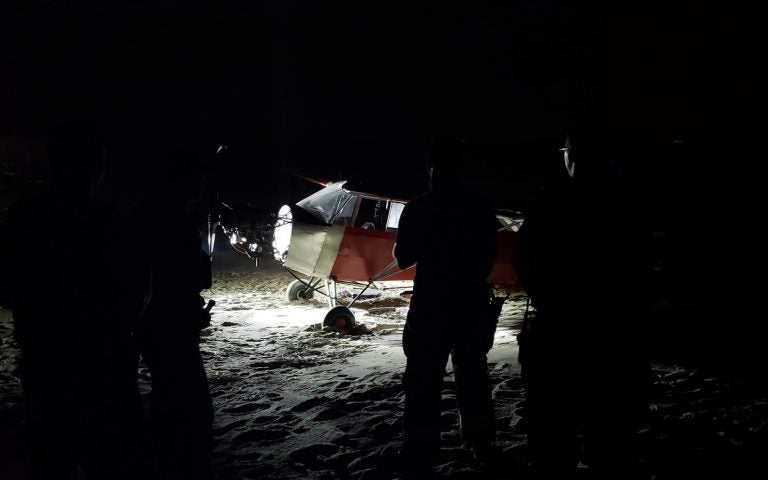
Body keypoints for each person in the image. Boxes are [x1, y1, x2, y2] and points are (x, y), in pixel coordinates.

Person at [0, 129, 150, 479]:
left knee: (53, 451)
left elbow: (7, 283)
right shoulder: (108, 221)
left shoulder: (25, 217)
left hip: (45, 353)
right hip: (104, 354)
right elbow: (139, 285)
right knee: (113, 453)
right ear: (97, 168)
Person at [514, 124, 651, 478]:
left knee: (553, 442)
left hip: (559, 332)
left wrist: (551, 300)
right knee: (611, 442)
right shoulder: (628, 205)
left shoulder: (550, 202)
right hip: (615, 336)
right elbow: (643, 267)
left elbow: (524, 261)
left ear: (572, 156)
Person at [393, 134, 499, 475]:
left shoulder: (419, 208)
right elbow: (486, 259)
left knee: (424, 379)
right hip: (470, 303)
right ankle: (480, 443)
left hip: (430, 304)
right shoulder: (480, 207)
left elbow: (402, 258)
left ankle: (422, 447)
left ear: (432, 169)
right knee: (473, 376)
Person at [133, 147, 214, 480]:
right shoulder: (169, 222)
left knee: (170, 397)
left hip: (166, 323)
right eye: (197, 177)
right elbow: (162, 280)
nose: (200, 184)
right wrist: (184, 311)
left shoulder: (155, 216)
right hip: (169, 325)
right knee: (189, 409)